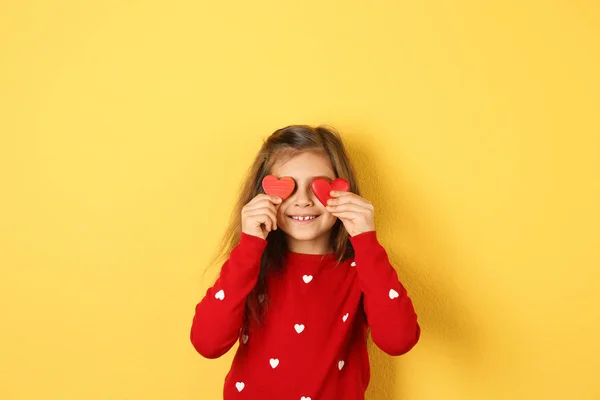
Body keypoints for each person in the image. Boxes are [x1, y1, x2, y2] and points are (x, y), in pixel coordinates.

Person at [190, 125, 421, 400]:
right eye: (287, 186)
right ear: (263, 194)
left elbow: (399, 340)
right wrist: (249, 244)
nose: (303, 201)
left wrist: (365, 239)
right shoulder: (249, 264)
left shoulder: (363, 268)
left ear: (342, 191)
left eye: (318, 186)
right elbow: (207, 343)